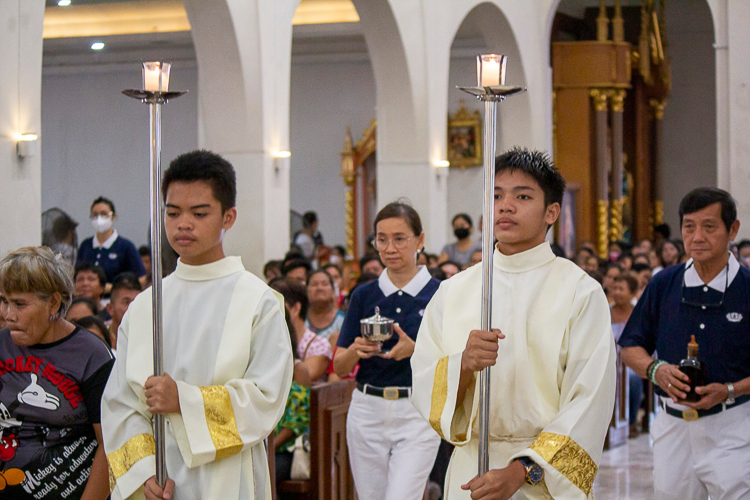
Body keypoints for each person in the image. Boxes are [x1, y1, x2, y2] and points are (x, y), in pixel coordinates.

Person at [411, 148, 616, 500]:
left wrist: (524, 469)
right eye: (495, 196)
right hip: (471, 470)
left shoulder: (580, 292)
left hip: (544, 476)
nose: (505, 206)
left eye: (522, 196)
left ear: (552, 211)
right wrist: (463, 366)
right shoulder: (454, 291)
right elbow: (423, 385)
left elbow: (590, 400)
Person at [102, 150, 293, 500]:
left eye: (199, 213)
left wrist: (184, 400)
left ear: (228, 217)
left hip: (227, 476)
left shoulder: (258, 301)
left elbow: (266, 398)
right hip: (159, 479)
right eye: (172, 213)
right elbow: (121, 404)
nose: (183, 224)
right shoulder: (146, 305)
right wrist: (145, 473)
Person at [619, 187, 750, 500]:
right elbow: (630, 347)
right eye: (689, 227)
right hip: (672, 426)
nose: (698, 237)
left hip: (733, 426)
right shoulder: (665, 283)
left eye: (709, 227)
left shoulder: (747, 287)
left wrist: (730, 389)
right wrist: (655, 371)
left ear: (732, 230)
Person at [334, 202, 441, 500]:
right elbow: (340, 367)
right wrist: (356, 350)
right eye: (382, 239)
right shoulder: (364, 294)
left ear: (420, 240)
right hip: (367, 409)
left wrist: (416, 350)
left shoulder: (440, 294)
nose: (390, 248)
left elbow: (456, 360)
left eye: (399, 238)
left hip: (416, 409)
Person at [0, 246, 114, 499]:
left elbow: (110, 445)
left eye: (20, 304)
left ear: (53, 302)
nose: (8, 315)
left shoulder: (91, 354)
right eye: (4, 302)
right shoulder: (1, 344)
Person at [271, 278, 332, 383]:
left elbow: (303, 378)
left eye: (275, 305)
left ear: (295, 309)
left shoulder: (318, 345)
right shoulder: (268, 339)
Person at [274, 309, 311, 482]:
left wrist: (269, 448)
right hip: (255, 446)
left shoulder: (298, 369)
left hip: (285, 450)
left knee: (265, 471)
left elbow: (297, 420)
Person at [76, 197, 146, 286]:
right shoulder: (85, 245)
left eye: (103, 214)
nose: (99, 218)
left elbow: (141, 278)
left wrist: (113, 288)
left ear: (113, 216)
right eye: (95, 214)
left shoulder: (126, 246)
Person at [609, 273, 643, 436]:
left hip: (632, 359)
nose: (616, 292)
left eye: (621, 289)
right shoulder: (606, 311)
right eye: (615, 288)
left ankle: (631, 421)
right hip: (609, 360)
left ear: (632, 293)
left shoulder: (638, 313)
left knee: (633, 378)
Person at [305, 270, 346, 344]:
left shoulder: (343, 321)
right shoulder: (300, 321)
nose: (319, 288)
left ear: (333, 290)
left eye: (324, 284)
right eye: (314, 284)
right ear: (306, 290)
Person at [106, 272, 142, 351]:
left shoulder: (149, 336)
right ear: (110, 308)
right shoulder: (100, 335)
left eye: (137, 302)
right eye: (126, 302)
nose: (133, 307)